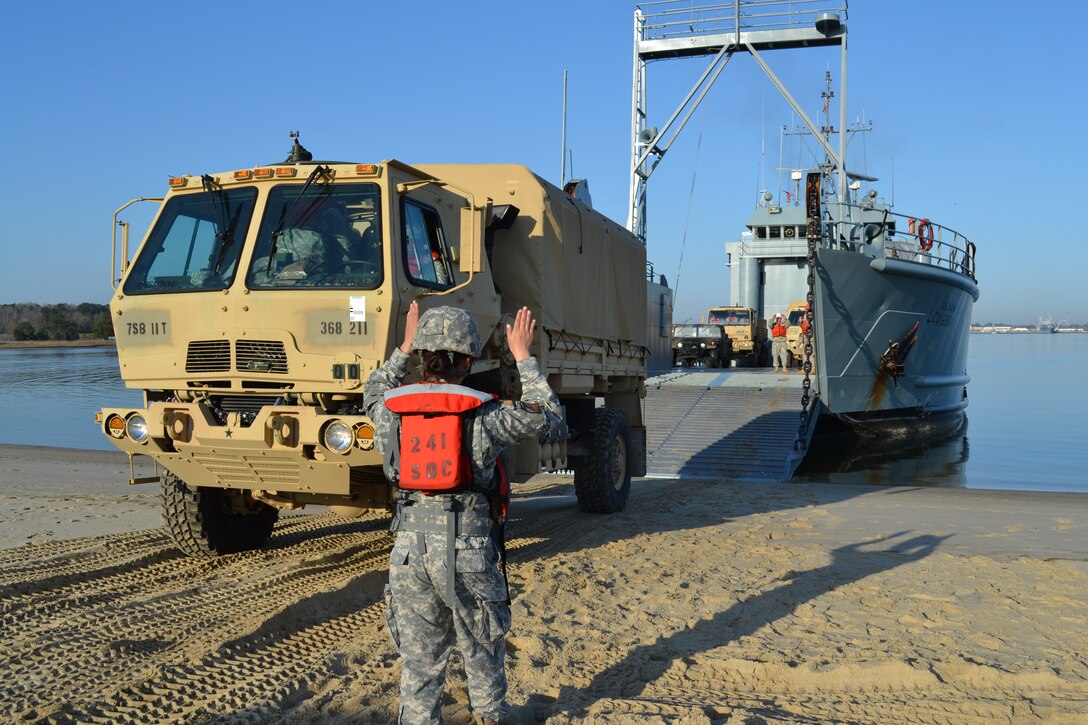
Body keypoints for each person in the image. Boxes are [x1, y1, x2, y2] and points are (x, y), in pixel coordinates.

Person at [364, 302, 561, 725]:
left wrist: (402, 345)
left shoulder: (390, 411)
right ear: (468, 361)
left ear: (420, 356)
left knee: (420, 664)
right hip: (467, 550)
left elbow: (372, 388)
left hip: (409, 551)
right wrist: (524, 356)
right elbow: (548, 415)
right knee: (482, 649)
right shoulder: (486, 415)